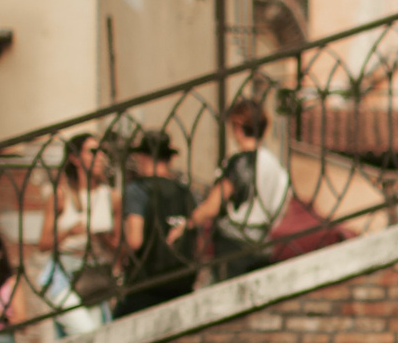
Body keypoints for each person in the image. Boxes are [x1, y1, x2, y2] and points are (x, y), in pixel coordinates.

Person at [186, 98, 290, 279]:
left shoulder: (238, 162)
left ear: (238, 127)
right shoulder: (275, 165)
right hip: (262, 242)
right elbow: (282, 204)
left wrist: (188, 224)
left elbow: (213, 206)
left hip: (234, 246)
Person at [117, 131, 202, 316]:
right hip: (181, 281)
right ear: (169, 158)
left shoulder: (137, 190)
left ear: (142, 156)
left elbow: (135, 240)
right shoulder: (185, 192)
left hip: (146, 284)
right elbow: (198, 238)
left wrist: (117, 255)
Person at [38, 132, 114, 336]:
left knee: (99, 336)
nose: (100, 157)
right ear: (74, 157)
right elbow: (43, 243)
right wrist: (69, 232)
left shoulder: (110, 196)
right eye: (92, 151)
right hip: (64, 272)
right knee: (86, 332)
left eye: (102, 152)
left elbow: (118, 244)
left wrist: (102, 237)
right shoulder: (61, 195)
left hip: (94, 273)